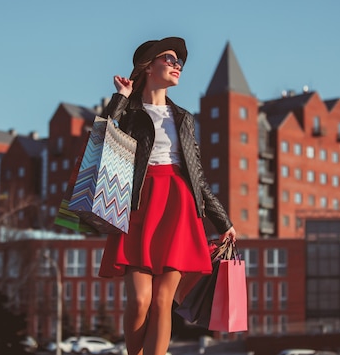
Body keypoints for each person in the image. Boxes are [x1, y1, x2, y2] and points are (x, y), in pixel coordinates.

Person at [98, 36, 237, 355]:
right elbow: (103, 136)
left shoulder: (184, 118)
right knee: (139, 300)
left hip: (179, 205)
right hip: (138, 204)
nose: (177, 65)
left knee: (163, 301)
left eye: (180, 62)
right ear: (148, 66)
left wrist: (223, 220)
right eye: (170, 59)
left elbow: (197, 174)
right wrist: (121, 97)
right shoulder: (129, 112)